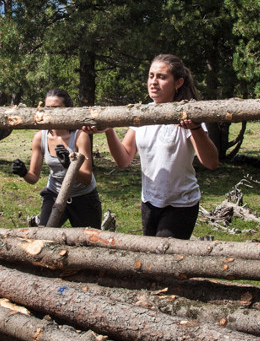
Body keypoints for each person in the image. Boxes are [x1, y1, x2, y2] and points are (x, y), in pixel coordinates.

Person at [91, 54, 219, 240]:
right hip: (149, 202)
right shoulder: (142, 114)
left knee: (162, 256)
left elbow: (211, 162)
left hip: (181, 204)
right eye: (151, 76)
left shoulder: (188, 115)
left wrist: (196, 127)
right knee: (154, 259)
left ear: (178, 82)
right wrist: (109, 129)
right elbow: (123, 159)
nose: (154, 82)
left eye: (162, 77)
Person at [11, 89, 102, 228]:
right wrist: (23, 172)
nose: (51, 113)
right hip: (55, 194)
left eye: (56, 108)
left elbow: (86, 179)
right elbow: (33, 178)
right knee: (44, 237)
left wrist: (69, 166)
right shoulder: (39, 137)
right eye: (47, 108)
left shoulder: (80, 136)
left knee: (89, 242)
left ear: (68, 110)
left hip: (83, 196)